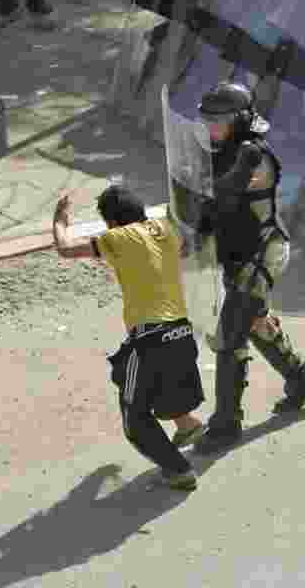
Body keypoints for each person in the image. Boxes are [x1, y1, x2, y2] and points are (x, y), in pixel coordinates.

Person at [191, 81, 305, 455]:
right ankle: (302, 380)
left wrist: (201, 205)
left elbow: (225, 194)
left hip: (261, 252)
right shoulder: (218, 150)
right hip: (235, 251)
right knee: (253, 321)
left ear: (239, 120)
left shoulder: (255, 156)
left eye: (218, 120)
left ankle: (225, 424)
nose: (210, 126)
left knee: (231, 333)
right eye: (206, 119)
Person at [52, 186, 205, 491]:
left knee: (134, 417)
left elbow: (66, 248)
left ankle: (179, 471)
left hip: (151, 340)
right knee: (157, 385)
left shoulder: (116, 238)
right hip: (182, 333)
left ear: (110, 221)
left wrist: (60, 219)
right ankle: (188, 425)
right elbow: (186, 249)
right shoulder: (165, 229)